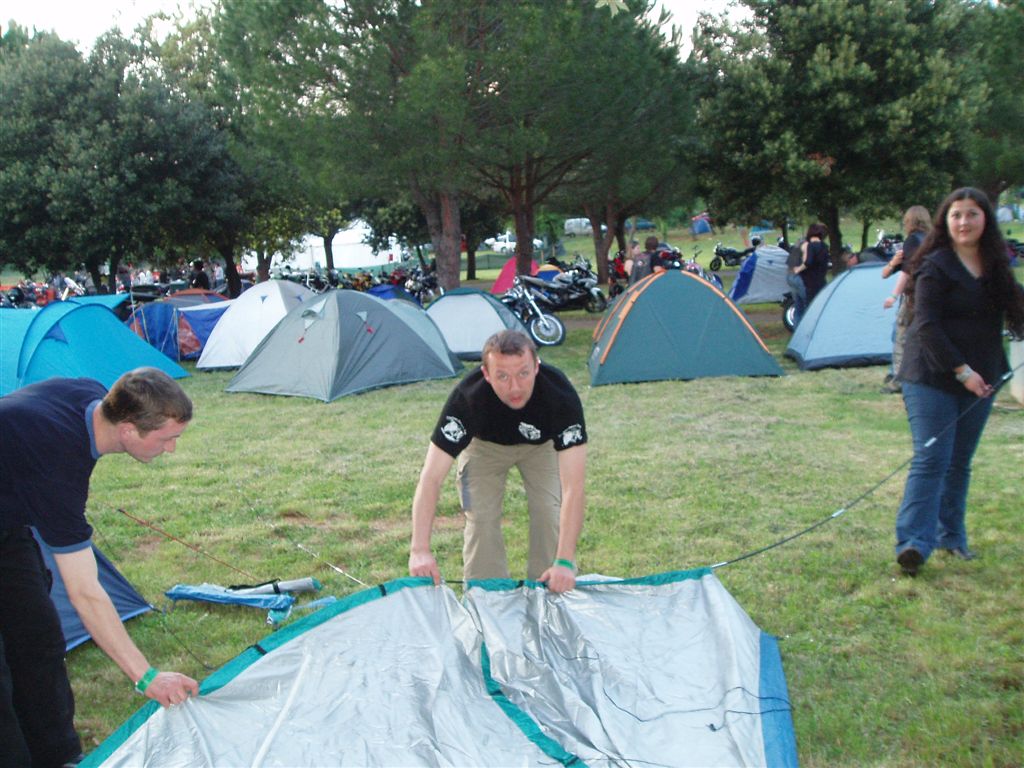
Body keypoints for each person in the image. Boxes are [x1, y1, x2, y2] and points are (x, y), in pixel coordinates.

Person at [0, 368, 201, 766]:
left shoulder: (96, 398)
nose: (172, 449)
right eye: (167, 439)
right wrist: (146, 676)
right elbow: (85, 593)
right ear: (128, 430)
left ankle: (59, 756)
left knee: (38, 640)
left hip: (8, 525)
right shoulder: (56, 466)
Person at [894, 188, 1024, 577]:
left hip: (982, 378)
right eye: (956, 215)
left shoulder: (996, 265)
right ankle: (913, 543)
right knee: (932, 458)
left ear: (986, 219)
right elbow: (926, 325)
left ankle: (951, 536)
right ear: (945, 222)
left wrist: (976, 375)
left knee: (959, 462)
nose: (964, 222)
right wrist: (962, 371)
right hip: (931, 375)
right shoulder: (935, 265)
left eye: (972, 214)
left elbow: (1017, 309)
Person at [409, 330, 587, 593]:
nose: (515, 387)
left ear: (536, 367)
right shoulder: (467, 399)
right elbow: (431, 478)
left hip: (541, 447)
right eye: (502, 376)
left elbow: (574, 486)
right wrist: (419, 550)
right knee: (481, 517)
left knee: (548, 510)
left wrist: (565, 561)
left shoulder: (560, 396)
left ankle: (550, 593)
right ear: (486, 374)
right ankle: (488, 599)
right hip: (484, 448)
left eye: (523, 373)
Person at [881, 205, 932, 394]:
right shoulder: (930, 241)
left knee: (901, 337)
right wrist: (893, 262)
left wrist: (893, 296)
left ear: (909, 221)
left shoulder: (912, 240)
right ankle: (904, 373)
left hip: (912, 298)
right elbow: (886, 273)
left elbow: (906, 272)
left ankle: (899, 380)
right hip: (928, 296)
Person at [797, 223, 830, 307]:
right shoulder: (825, 246)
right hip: (821, 278)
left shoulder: (811, 246)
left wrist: (797, 269)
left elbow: (808, 262)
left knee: (809, 304)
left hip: (810, 280)